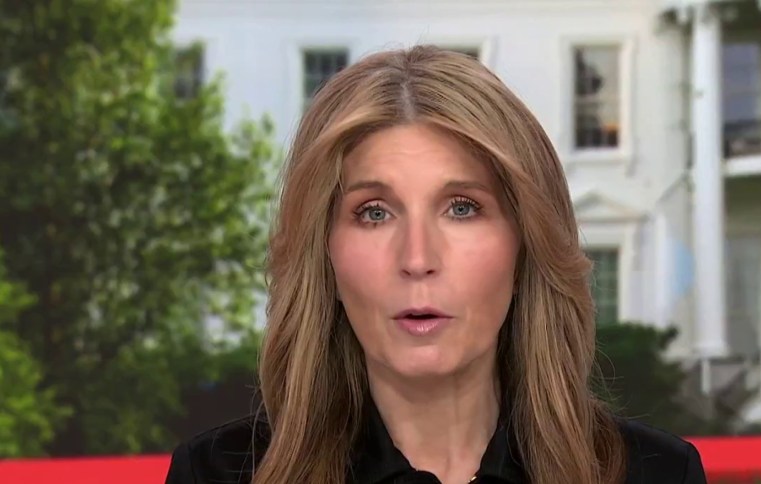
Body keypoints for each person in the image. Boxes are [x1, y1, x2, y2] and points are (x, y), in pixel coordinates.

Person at [165, 45, 707, 484]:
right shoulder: (216, 474)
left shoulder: (655, 474)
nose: (417, 259)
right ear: (324, 254)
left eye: (462, 208)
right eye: (374, 213)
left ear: (525, 245)